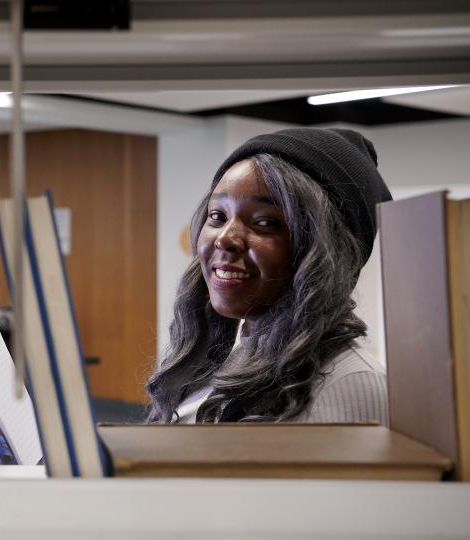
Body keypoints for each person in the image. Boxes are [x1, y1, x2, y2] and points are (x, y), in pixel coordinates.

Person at [146, 127, 392, 424]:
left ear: (328, 250)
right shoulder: (225, 364)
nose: (225, 238)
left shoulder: (350, 382)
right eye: (217, 217)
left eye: (265, 222)